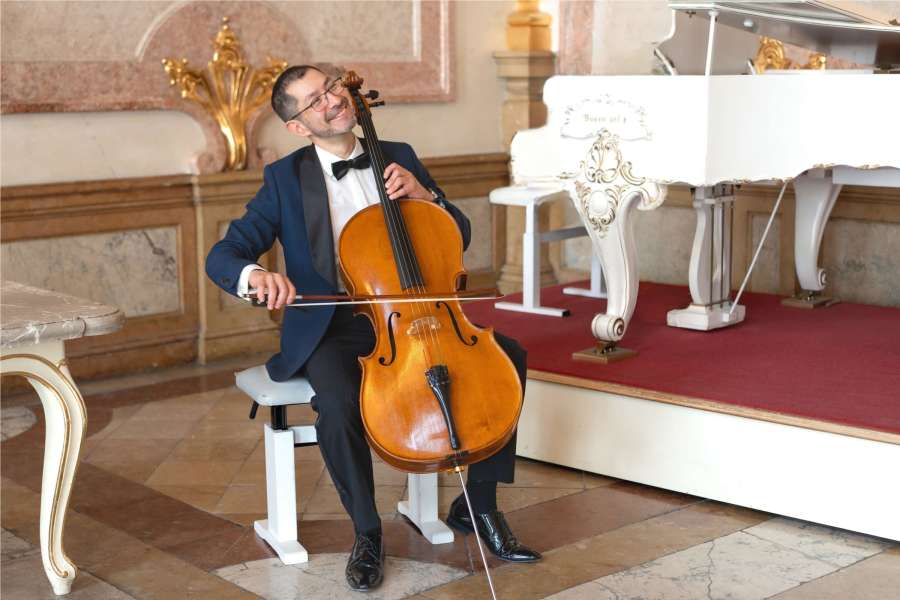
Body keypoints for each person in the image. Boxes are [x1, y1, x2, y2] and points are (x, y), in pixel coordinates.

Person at [206, 64, 540, 592]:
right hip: (333, 323)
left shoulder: (398, 154)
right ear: (298, 126)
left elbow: (456, 234)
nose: (333, 100)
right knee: (337, 404)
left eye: (332, 88)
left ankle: (478, 506)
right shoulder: (285, 179)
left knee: (508, 356)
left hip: (417, 311)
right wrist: (256, 276)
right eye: (315, 100)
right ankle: (367, 531)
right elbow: (226, 251)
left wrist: (428, 198)